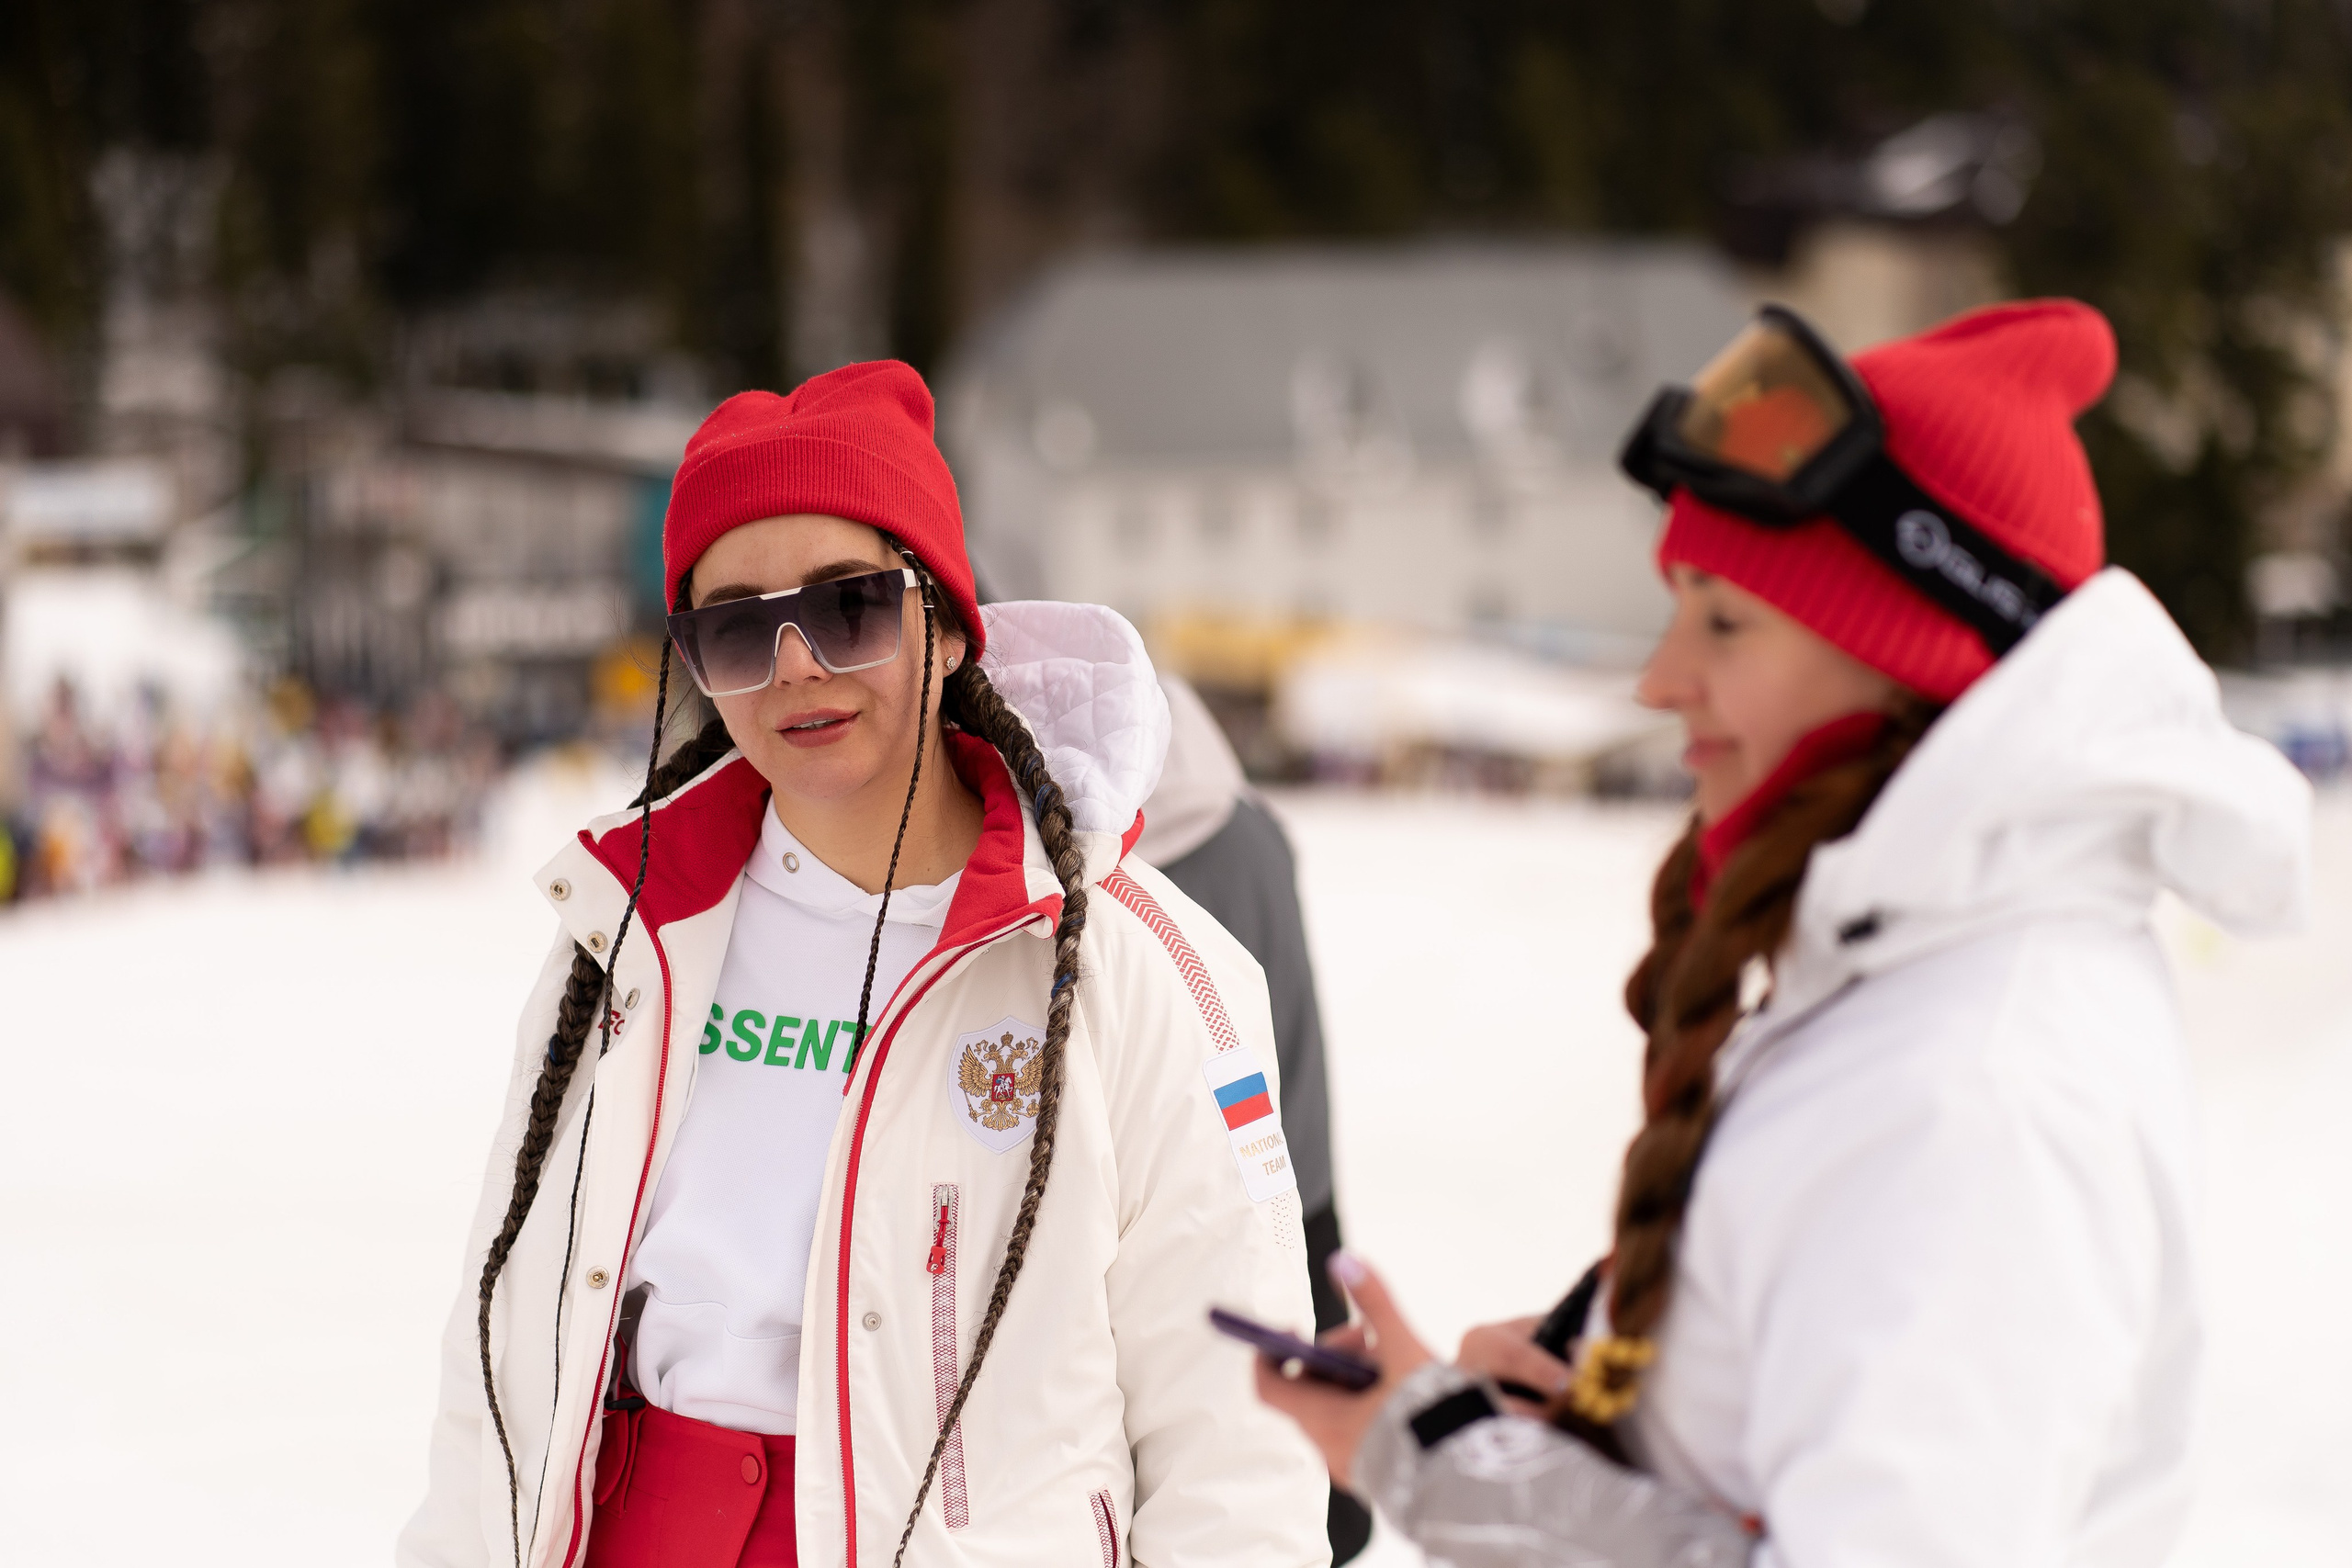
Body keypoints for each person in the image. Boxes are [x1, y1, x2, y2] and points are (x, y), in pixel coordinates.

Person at [1255, 299, 2311, 1567]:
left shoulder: (1975, 1087)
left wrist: (1469, 1475)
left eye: (1725, 619)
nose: (1659, 678)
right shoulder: (1905, 987)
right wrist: (1589, 1412)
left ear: (1907, 656)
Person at [401, 362, 1329, 1568]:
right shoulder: (625, 939)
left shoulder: (1133, 968)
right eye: (737, 626)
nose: (795, 663)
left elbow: (1238, 1450)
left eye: (848, 607)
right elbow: (500, 1390)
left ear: (944, 621)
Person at [1133, 672, 1372, 1564]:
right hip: (1301, 1175)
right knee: (1306, 1469)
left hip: (1207, 1203)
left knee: (1221, 1458)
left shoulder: (1137, 868)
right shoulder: (1256, 829)